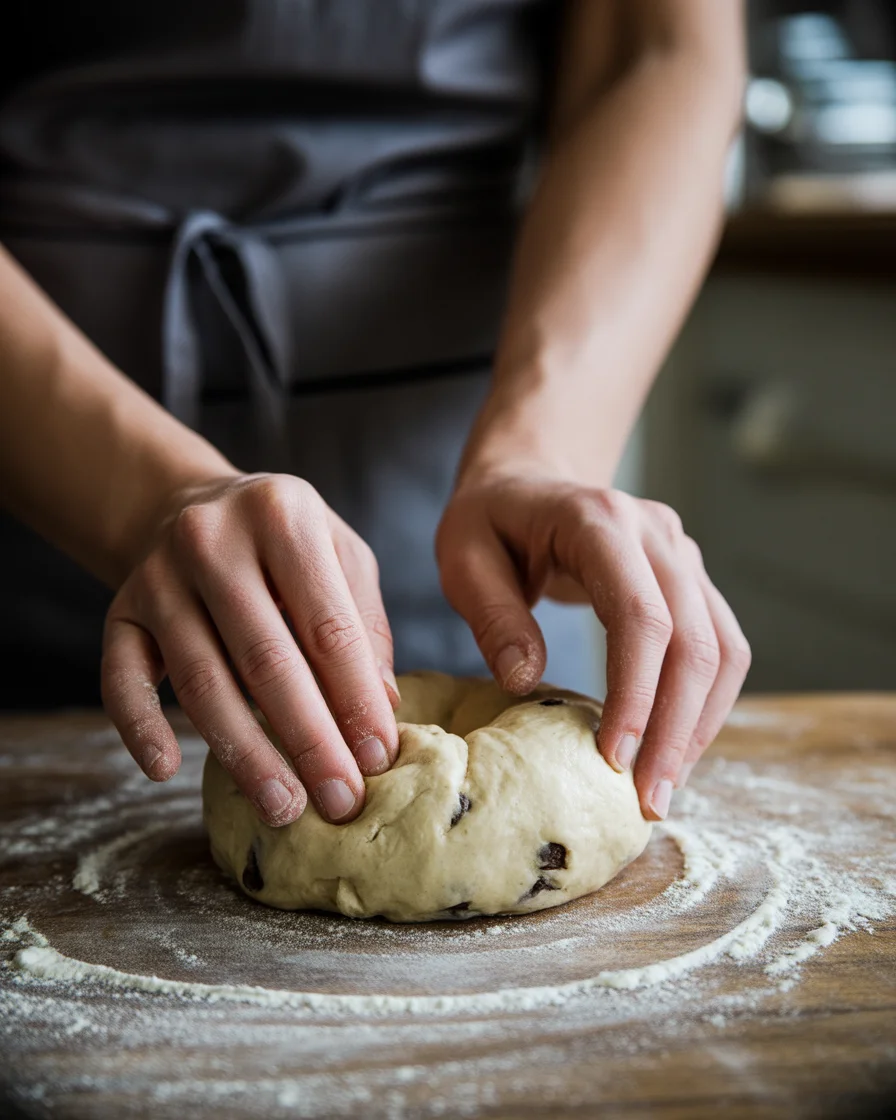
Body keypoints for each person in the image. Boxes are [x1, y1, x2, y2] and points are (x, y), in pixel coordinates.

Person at [0, 0, 751, 831]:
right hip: (38, 487)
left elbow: (654, 54)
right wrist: (138, 496)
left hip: (468, 504)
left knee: (516, 714)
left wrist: (543, 452)